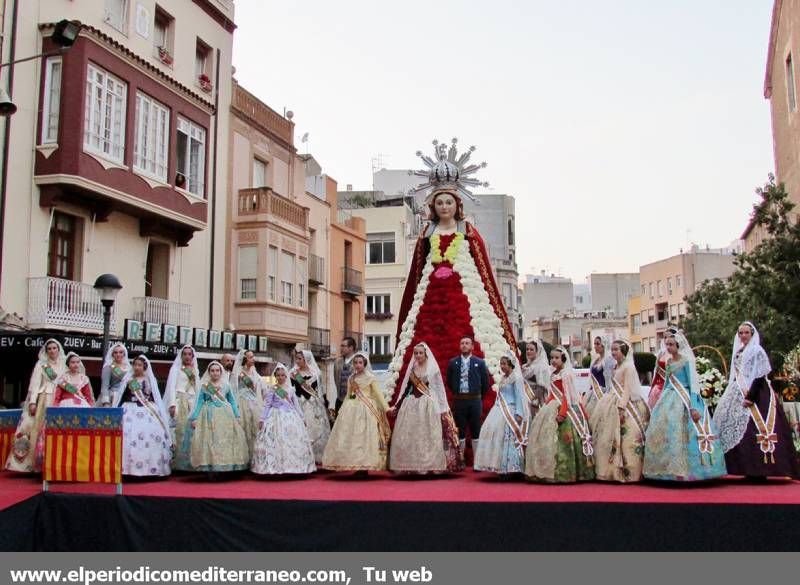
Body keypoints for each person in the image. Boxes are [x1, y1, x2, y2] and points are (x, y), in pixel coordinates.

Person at [384, 140, 518, 426]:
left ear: (458, 204)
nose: (444, 206)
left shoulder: (467, 231)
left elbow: (482, 269)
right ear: (433, 205)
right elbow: (418, 269)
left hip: (465, 298)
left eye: (449, 202)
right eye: (439, 202)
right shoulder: (427, 232)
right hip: (430, 300)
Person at [714, 322, 800, 479]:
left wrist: (751, 397)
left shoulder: (757, 350)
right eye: (740, 333)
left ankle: (762, 469)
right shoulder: (740, 351)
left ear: (752, 334)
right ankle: (744, 468)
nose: (743, 336)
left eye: (746, 332)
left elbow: (760, 375)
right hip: (739, 390)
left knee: (755, 429)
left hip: (757, 394)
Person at [643, 330, 726, 481]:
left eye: (671, 345)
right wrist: (660, 402)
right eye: (667, 344)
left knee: (686, 433)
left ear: (678, 345)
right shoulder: (668, 361)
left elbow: (693, 385)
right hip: (669, 397)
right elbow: (668, 381)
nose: (668, 347)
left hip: (685, 398)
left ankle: (693, 471)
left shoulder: (686, 361)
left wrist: (693, 406)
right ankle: (665, 470)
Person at [388, 342, 464, 473]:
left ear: (425, 354)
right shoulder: (413, 368)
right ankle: (412, 467)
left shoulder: (432, 368)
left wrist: (443, 408)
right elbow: (407, 389)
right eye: (416, 353)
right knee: (412, 435)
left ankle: (429, 466)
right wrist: (398, 405)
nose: (418, 355)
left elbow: (439, 389)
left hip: (428, 405)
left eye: (420, 353)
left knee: (428, 435)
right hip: (412, 404)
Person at [525, 346, 595, 483]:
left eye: (557, 358)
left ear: (563, 359)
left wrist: (562, 414)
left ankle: (566, 471)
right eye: (552, 358)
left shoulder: (566, 374)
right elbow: (552, 393)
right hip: (552, 406)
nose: (553, 360)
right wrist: (545, 405)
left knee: (564, 440)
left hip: (565, 408)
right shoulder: (552, 373)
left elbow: (566, 396)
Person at [590, 340, 650, 482]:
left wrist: (622, 406)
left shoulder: (629, 367)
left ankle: (628, 471)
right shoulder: (616, 366)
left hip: (626, 404)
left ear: (623, 351)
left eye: (616, 349)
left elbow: (628, 388)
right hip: (612, 400)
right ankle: (610, 470)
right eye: (612, 349)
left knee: (626, 438)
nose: (613, 352)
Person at [322, 352, 391, 472]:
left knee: (363, 437)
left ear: (365, 364)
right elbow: (349, 395)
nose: (357, 365)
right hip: (351, 408)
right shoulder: (351, 378)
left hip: (366, 410)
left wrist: (387, 408)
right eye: (355, 362)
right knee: (351, 437)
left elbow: (378, 394)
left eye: (360, 362)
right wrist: (342, 410)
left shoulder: (370, 378)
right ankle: (354, 464)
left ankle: (364, 467)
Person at [5, 338, 66, 472]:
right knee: (36, 429)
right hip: (44, 398)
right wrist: (33, 402)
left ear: (58, 349)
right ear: (46, 351)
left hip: (59, 399)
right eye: (49, 349)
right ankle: (34, 464)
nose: (52, 351)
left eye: (54, 348)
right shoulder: (41, 365)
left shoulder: (64, 364)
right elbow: (34, 384)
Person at [182, 361, 250, 475]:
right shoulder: (205, 386)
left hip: (225, 416)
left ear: (220, 372)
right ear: (209, 373)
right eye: (212, 371)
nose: (215, 373)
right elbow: (199, 403)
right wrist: (194, 418)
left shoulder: (226, 385)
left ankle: (225, 466)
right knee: (210, 441)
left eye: (217, 370)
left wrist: (237, 415)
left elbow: (232, 401)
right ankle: (210, 467)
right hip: (208, 415)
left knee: (224, 440)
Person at [251, 363, 316, 475]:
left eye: (283, 375)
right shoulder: (272, 389)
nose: (280, 377)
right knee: (276, 440)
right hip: (275, 416)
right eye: (278, 375)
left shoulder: (291, 389)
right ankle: (277, 465)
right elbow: (267, 405)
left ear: (286, 376)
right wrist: (262, 419)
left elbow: (296, 405)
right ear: (275, 376)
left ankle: (293, 466)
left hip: (291, 416)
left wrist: (302, 417)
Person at [113, 355, 172, 477]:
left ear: (144, 367)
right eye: (135, 365)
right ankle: (126, 469)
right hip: (129, 409)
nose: (137, 367)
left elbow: (152, 396)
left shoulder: (149, 380)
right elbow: (122, 395)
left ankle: (150, 469)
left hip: (147, 410)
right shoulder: (128, 379)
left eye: (139, 365)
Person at [473, 353, 529, 477]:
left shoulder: (516, 378)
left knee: (508, 439)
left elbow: (520, 396)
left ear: (511, 365)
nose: (502, 366)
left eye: (504, 364)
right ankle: (500, 466)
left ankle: (512, 468)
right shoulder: (504, 378)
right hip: (499, 409)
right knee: (494, 435)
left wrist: (519, 413)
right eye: (501, 364)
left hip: (511, 410)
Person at [446, 337, 491, 458]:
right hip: (459, 400)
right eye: (462, 343)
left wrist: (477, 396)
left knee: (476, 429)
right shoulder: (453, 363)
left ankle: (478, 460)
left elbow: (486, 383)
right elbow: (449, 382)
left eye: (467, 343)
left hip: (475, 400)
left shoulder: (480, 362)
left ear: (472, 347)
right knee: (459, 429)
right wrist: (458, 392)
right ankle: (460, 459)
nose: (464, 345)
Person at [290, 349, 331, 465]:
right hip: (298, 403)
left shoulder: (315, 373)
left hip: (313, 404)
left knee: (315, 429)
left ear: (306, 359)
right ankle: (301, 457)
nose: (297, 361)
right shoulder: (292, 373)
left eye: (300, 358)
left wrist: (324, 403)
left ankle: (314, 456)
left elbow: (320, 389)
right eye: (296, 358)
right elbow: (290, 389)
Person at [163, 345, 200, 471]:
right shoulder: (176, 369)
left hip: (192, 402)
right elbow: (171, 387)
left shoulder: (195, 370)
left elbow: (197, 388)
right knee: (178, 431)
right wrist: (172, 404)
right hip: (179, 401)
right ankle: (176, 462)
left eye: (190, 354)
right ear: (181, 355)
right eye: (185, 354)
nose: (187, 356)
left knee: (191, 432)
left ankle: (189, 462)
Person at [232, 349, 267, 460]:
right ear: (244, 359)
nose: (253, 359)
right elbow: (233, 389)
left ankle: (254, 457)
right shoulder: (238, 372)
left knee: (254, 428)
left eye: (253, 356)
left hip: (254, 402)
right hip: (242, 401)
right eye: (250, 357)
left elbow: (260, 387)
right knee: (244, 428)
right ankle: (243, 457)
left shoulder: (254, 371)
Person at [584, 337, 615, 418]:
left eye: (598, 344)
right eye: (594, 344)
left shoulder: (608, 360)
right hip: (593, 392)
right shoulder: (595, 360)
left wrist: (608, 396)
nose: (595, 346)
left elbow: (609, 379)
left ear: (603, 345)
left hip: (602, 394)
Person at [647, 327, 677, 409]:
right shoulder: (660, 354)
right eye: (665, 337)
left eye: (669, 337)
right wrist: (652, 388)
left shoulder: (677, 355)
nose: (667, 339)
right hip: (657, 390)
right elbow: (656, 374)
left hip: (671, 389)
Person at [520, 339, 551, 418]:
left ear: (537, 351)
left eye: (531, 349)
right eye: (527, 349)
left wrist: (533, 400)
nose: (528, 351)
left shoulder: (542, 366)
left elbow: (543, 387)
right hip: (525, 399)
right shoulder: (525, 366)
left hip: (537, 400)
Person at [99, 342, 130, 407]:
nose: (118, 354)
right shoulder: (109, 367)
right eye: (116, 352)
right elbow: (105, 386)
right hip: (113, 398)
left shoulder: (129, 368)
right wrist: (106, 402)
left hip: (126, 398)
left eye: (121, 352)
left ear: (124, 354)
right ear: (112, 354)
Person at [333, 337, 357, 415]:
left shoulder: (358, 362)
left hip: (354, 401)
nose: (341, 348)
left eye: (343, 346)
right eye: (341, 346)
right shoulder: (337, 362)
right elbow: (336, 378)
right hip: (340, 400)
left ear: (351, 348)